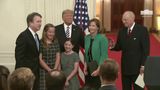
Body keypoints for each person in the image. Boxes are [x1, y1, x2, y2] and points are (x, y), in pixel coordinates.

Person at [111, 11, 150, 90]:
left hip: (139, 70)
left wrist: (143, 65)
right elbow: (119, 46)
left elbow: (146, 50)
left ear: (132, 19)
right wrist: (112, 46)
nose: (123, 22)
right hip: (125, 68)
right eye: (123, 19)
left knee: (139, 88)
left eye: (125, 20)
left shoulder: (142, 30)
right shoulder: (121, 31)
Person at [15, 12, 42, 90]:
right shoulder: (23, 36)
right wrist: (22, 75)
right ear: (30, 22)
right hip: (26, 75)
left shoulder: (36, 36)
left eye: (40, 21)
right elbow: (19, 58)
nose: (40, 24)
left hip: (35, 73)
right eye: (38, 21)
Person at [84, 18, 108, 90]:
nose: (91, 27)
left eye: (93, 26)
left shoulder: (102, 38)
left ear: (98, 27)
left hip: (98, 66)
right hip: (89, 66)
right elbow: (86, 53)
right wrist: (85, 66)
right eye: (90, 25)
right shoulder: (87, 38)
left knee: (97, 86)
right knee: (89, 86)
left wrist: (98, 69)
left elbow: (104, 55)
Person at [39, 23, 60, 90]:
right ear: (45, 32)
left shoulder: (56, 41)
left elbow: (58, 56)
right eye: (50, 32)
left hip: (55, 69)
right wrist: (49, 70)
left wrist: (54, 69)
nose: (52, 34)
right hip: (44, 70)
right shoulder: (40, 42)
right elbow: (40, 59)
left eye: (53, 32)